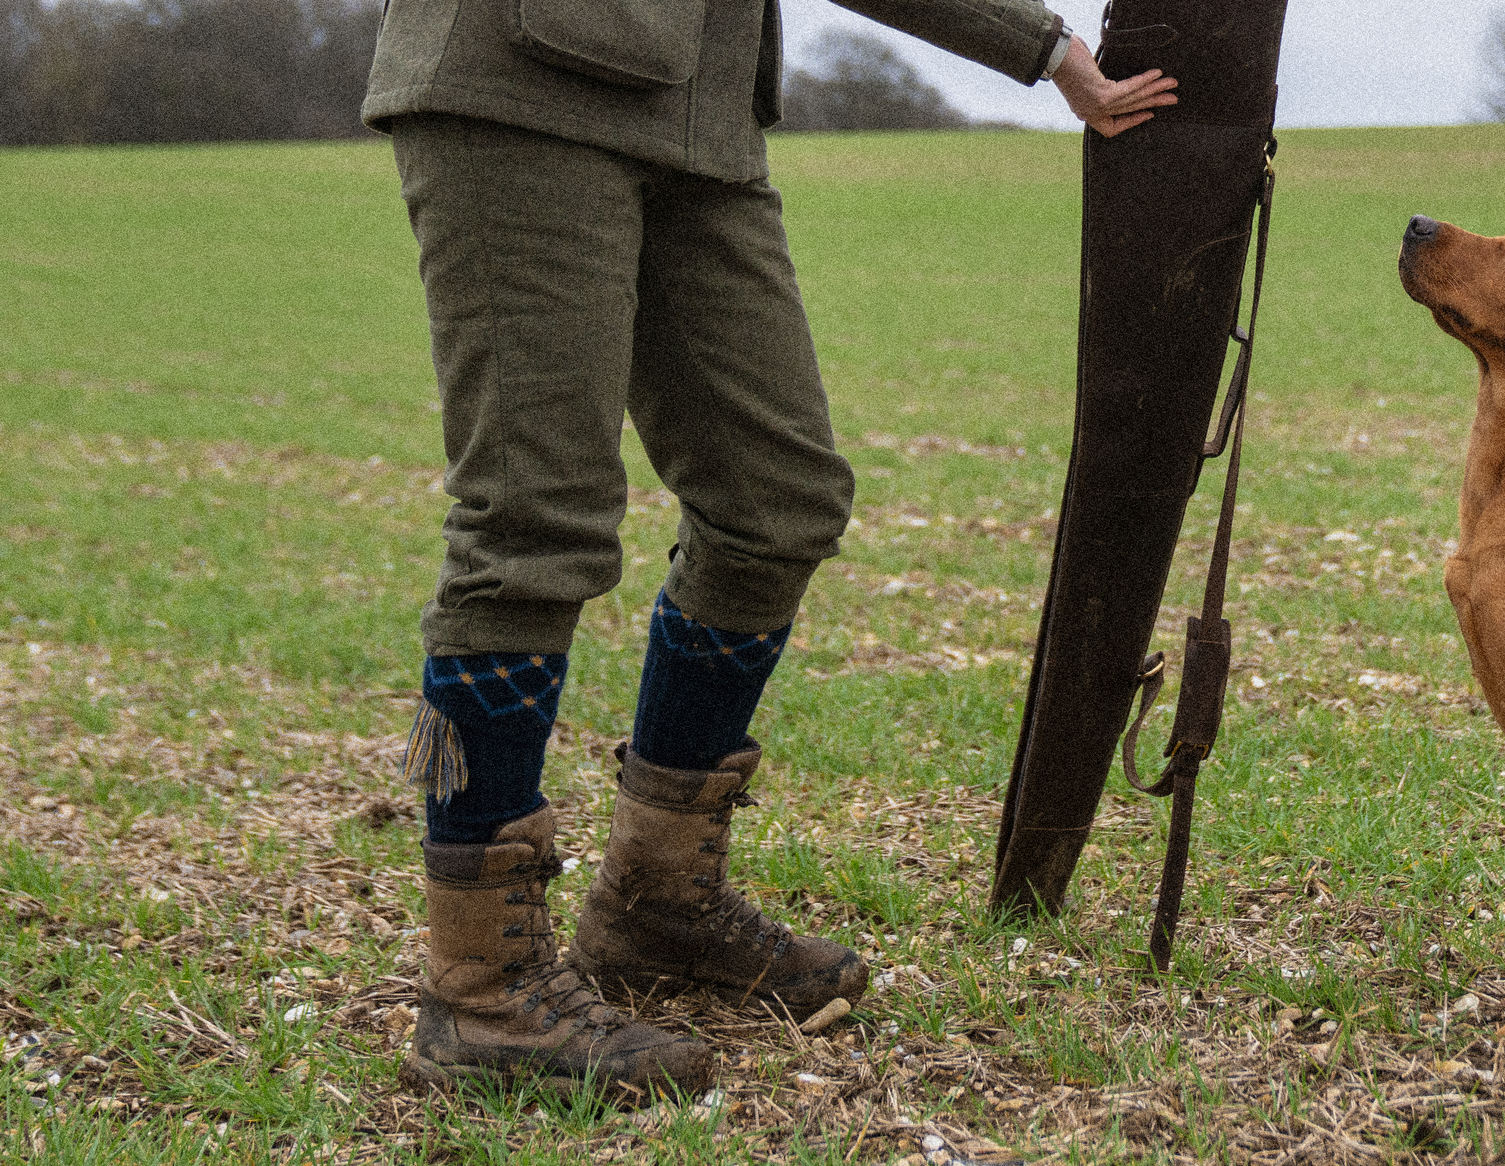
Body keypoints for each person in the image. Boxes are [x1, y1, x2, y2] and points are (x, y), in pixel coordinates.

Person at [362, 0, 1177, 1102]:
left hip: (699, 119)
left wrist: (1039, 49)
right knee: (532, 526)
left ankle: (654, 905)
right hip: (522, 86)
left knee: (775, 503)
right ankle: (479, 988)